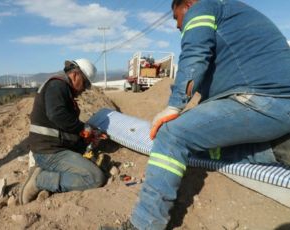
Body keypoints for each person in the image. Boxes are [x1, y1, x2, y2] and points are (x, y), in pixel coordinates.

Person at [123, 0, 290, 229]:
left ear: (188, 5)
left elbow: (194, 55)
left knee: (172, 135)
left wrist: (174, 107)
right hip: (277, 108)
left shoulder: (202, 8)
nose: (177, 25)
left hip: (262, 101)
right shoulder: (234, 15)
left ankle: (144, 224)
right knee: (211, 147)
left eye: (176, 17)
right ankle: (278, 149)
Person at [19, 58, 106, 204]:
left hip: (54, 148)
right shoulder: (57, 85)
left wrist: (86, 138)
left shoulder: (62, 88)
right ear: (75, 75)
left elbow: (64, 126)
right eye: (85, 84)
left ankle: (47, 174)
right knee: (95, 178)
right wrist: (83, 128)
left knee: (86, 154)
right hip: (49, 152)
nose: (84, 89)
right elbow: (57, 115)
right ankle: (40, 180)